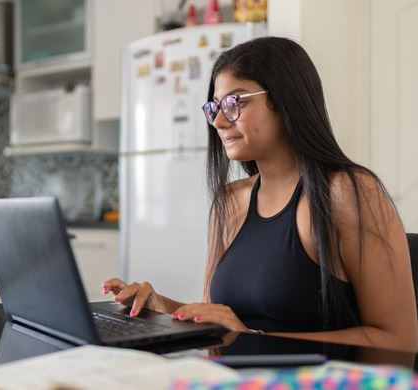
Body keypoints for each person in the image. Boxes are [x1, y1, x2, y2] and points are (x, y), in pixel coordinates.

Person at [102, 37, 418, 352]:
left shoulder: (348, 193)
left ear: (285, 100)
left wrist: (253, 339)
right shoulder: (229, 201)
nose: (219, 121)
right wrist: (161, 307)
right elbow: (219, 324)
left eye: (235, 102)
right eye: (214, 107)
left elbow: (399, 343)